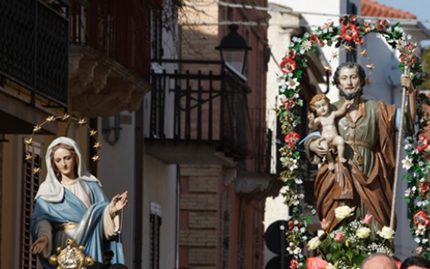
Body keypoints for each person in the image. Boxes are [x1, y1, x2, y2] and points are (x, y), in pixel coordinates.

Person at [305, 62, 416, 232]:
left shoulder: (378, 110)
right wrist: (313, 145)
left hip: (371, 175)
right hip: (337, 176)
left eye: (353, 77)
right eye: (344, 78)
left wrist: (411, 93)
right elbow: (313, 135)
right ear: (338, 83)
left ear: (362, 81)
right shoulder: (329, 109)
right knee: (339, 226)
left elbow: (408, 123)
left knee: (376, 226)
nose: (349, 82)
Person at [30, 137, 128, 269]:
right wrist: (44, 236)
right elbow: (42, 219)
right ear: (53, 163)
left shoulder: (90, 186)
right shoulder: (48, 190)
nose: (63, 164)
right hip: (63, 244)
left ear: (76, 158)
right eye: (58, 160)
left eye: (67, 158)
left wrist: (111, 210)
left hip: (91, 242)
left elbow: (100, 216)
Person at [308, 93, 353, 170]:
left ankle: (341, 156)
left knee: (340, 140)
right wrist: (311, 121)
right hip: (324, 140)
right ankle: (331, 161)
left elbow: (341, 112)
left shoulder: (332, 115)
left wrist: (345, 105)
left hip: (334, 138)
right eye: (319, 107)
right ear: (315, 109)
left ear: (328, 105)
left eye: (323, 105)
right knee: (324, 148)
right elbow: (311, 127)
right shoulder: (318, 120)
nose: (322, 108)